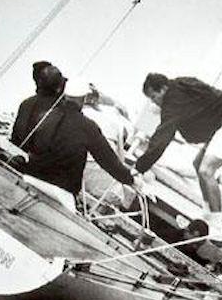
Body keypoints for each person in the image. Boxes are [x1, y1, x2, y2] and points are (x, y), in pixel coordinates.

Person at [134, 73, 222, 227]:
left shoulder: (173, 99)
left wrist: (140, 167)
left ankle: (217, 226)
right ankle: (208, 214)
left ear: (163, 89)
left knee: (206, 171)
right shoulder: (180, 84)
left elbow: (163, 136)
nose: (155, 103)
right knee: (198, 164)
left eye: (154, 97)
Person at [11, 75, 135, 206]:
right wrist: (131, 180)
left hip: (30, 178)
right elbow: (109, 162)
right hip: (60, 193)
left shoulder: (46, 115)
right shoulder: (88, 127)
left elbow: (23, 142)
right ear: (84, 98)